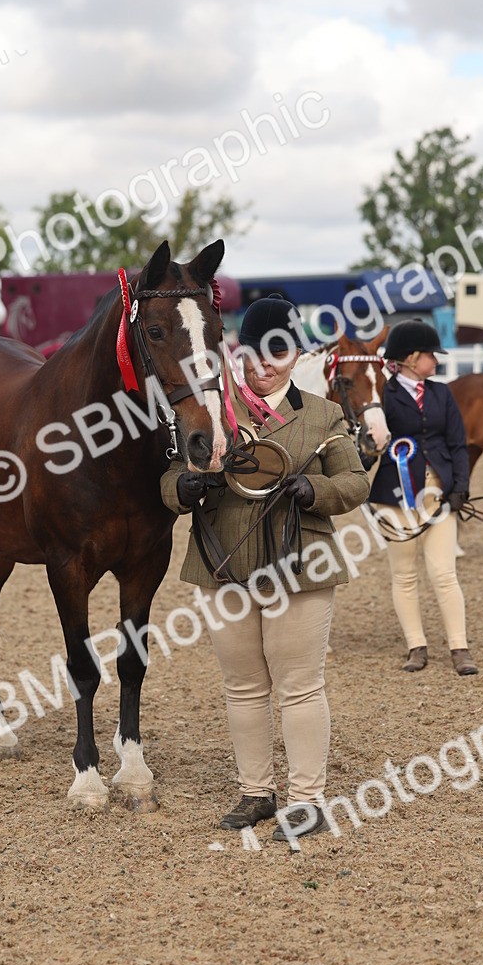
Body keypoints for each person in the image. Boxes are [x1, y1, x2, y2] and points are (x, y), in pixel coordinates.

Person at [161, 298, 369, 841]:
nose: (265, 363)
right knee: (242, 686)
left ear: (295, 352)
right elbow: (165, 473)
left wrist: (314, 489)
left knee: (299, 687)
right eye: (254, 351)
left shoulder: (323, 413)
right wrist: (178, 489)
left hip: (301, 565)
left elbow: (356, 483)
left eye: (279, 350)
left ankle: (306, 800)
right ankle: (256, 793)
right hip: (223, 563)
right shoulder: (210, 409)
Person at [367, 319, 477, 676]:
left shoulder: (442, 393)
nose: (437, 362)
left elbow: (458, 445)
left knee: (445, 573)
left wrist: (460, 486)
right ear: (412, 357)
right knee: (404, 575)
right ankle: (416, 646)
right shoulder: (383, 394)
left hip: (438, 494)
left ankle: (459, 648)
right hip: (394, 496)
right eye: (432, 355)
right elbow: (369, 445)